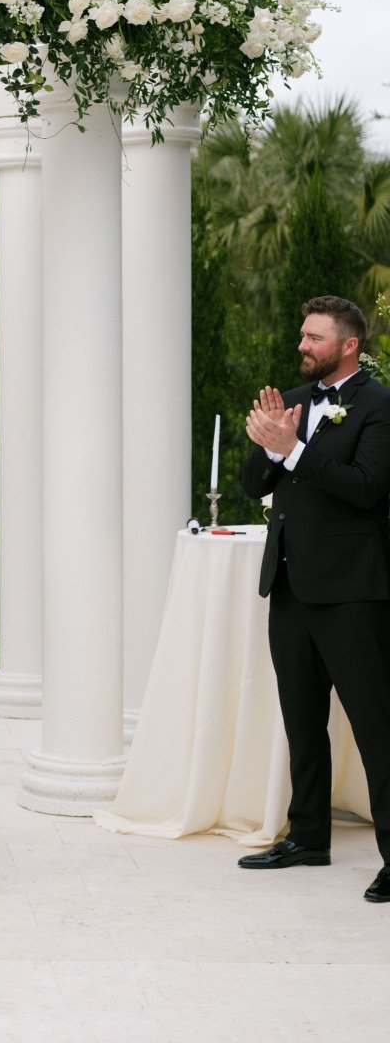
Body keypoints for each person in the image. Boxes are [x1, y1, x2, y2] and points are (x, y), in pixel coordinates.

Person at [239, 295, 390, 905]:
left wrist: (296, 449)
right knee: (302, 721)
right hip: (292, 588)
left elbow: (365, 490)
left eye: (314, 338)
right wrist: (273, 445)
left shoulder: (380, 407)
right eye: (302, 335)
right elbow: (253, 484)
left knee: (378, 727)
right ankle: (307, 837)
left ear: (348, 345)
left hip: (354, 592)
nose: (302, 345)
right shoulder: (294, 404)